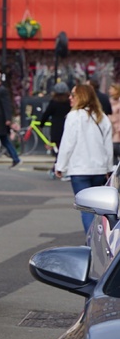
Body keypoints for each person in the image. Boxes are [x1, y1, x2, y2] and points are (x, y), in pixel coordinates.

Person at [55, 84, 113, 234]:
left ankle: (91, 242)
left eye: (73, 95)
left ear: (81, 97)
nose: (70, 97)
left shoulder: (74, 116)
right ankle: (99, 239)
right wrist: (108, 168)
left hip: (80, 169)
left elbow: (68, 143)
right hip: (99, 169)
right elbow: (108, 146)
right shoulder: (102, 117)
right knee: (96, 210)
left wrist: (60, 166)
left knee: (86, 209)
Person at [38, 82, 71, 179]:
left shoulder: (53, 102)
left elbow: (46, 114)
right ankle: (58, 169)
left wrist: (41, 124)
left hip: (56, 130)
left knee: (59, 151)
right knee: (65, 150)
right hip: (67, 128)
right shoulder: (69, 102)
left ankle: (56, 169)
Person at [108, 83, 120, 164]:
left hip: (117, 132)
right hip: (111, 131)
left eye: (111, 89)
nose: (109, 91)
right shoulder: (109, 101)